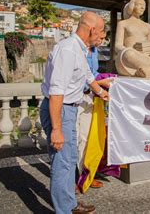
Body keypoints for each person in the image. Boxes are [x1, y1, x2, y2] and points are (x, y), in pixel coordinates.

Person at [40, 11, 109, 214]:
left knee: (69, 160)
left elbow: (87, 75)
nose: (102, 36)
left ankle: (69, 204)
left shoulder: (80, 49)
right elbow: (56, 92)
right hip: (60, 111)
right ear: (91, 29)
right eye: (101, 31)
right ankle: (64, 210)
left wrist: (101, 93)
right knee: (62, 163)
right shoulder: (68, 50)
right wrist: (57, 129)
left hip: (69, 110)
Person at [76, 30, 112, 192]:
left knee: (85, 139)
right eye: (101, 38)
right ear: (92, 32)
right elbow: (80, 77)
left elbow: (92, 74)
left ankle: (85, 177)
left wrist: (103, 80)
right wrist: (100, 83)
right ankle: (72, 179)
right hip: (76, 101)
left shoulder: (94, 51)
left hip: (89, 98)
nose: (102, 42)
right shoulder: (77, 50)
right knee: (74, 141)